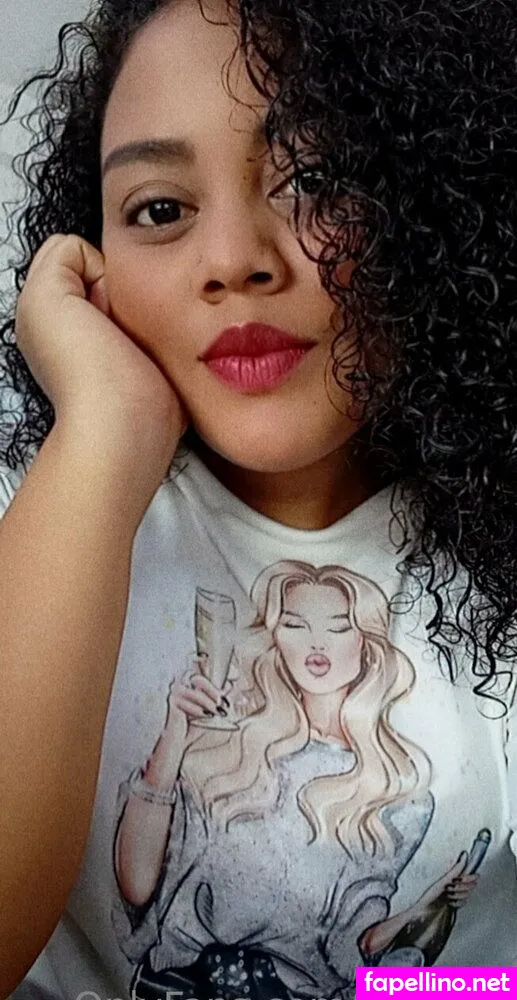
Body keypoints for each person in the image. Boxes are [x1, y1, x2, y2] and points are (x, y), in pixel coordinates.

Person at [0, 0, 516, 998]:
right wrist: (104, 432)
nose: (235, 258)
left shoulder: (491, 567)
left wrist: (429, 988)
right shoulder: (37, 507)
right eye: (160, 209)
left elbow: (478, 974)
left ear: (435, 206)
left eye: (314, 179)